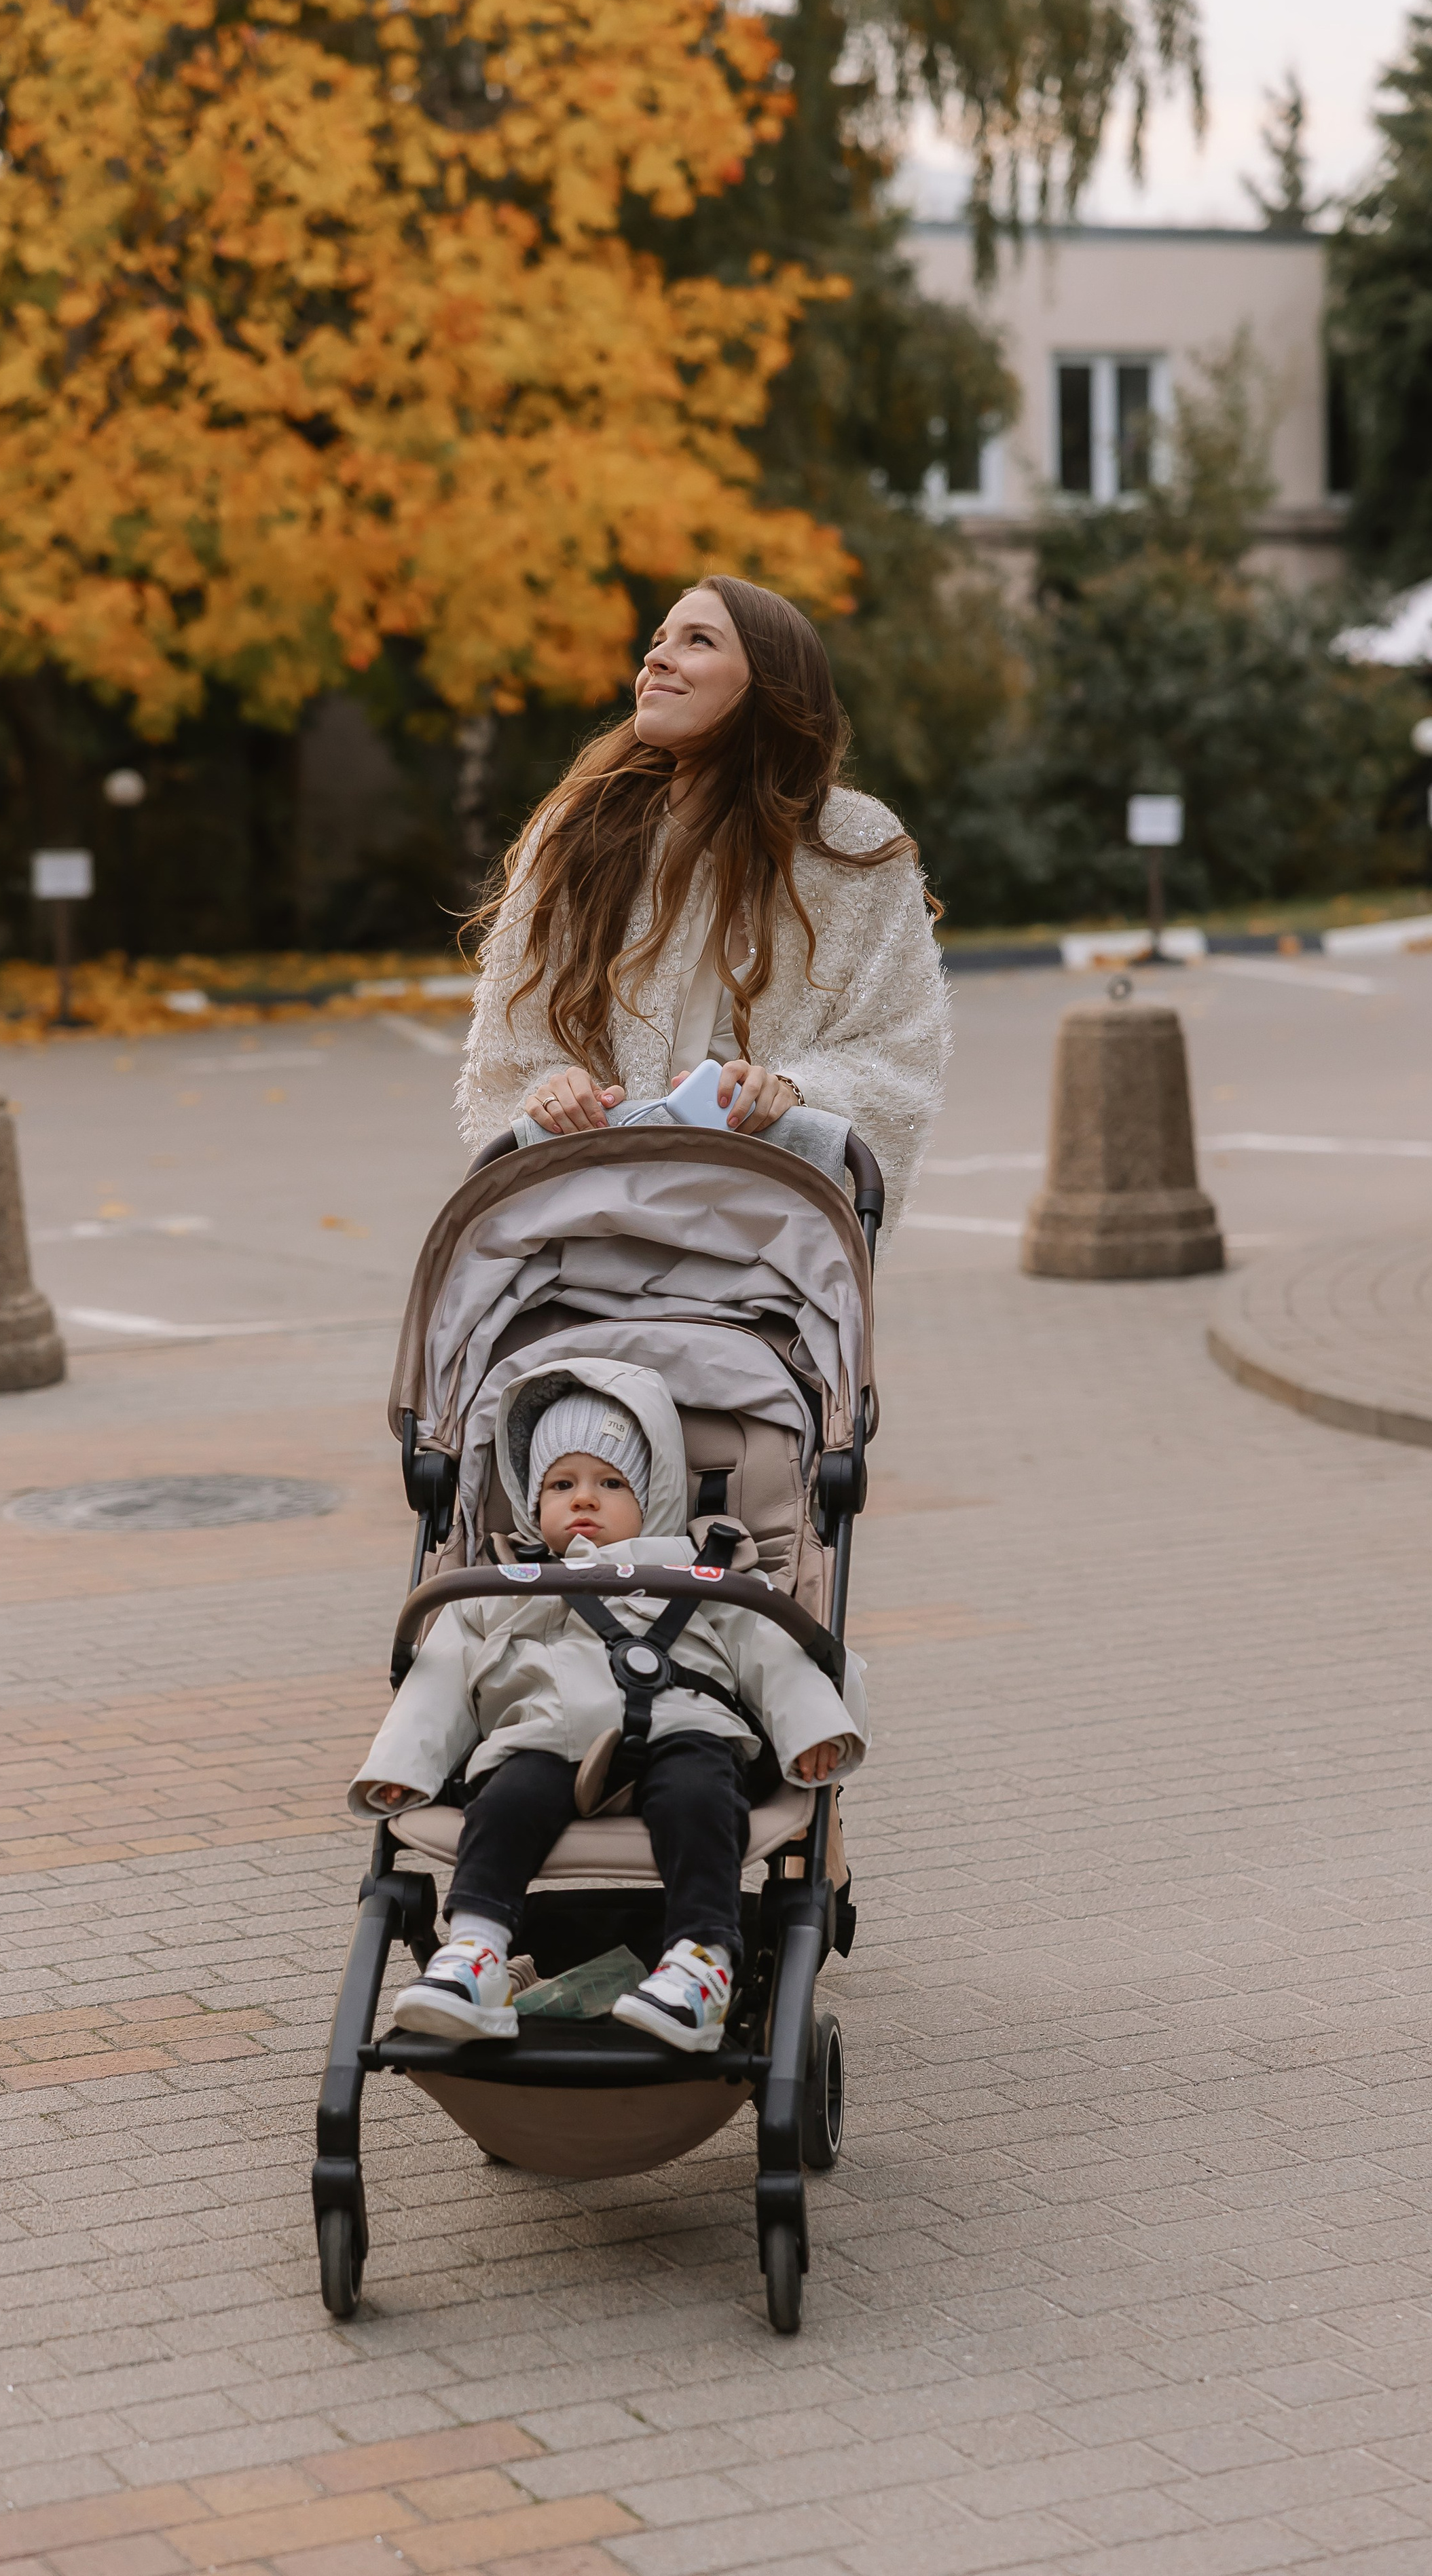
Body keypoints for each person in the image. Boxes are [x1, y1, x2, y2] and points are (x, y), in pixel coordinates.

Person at [350, 1361, 867, 2053]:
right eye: (560, 1485)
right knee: (503, 1805)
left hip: (685, 1732)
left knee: (698, 1797)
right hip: (541, 1742)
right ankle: (474, 1955)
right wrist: (401, 1769)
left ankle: (699, 1963)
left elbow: (772, 1652)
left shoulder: (701, 1572)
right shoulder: (501, 1586)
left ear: (653, 1495)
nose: (583, 1500)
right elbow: (438, 1681)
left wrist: (813, 1730)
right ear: (532, 1502)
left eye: (611, 1483)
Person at [456, 573, 949, 1234]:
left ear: (768, 684)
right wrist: (549, 1090)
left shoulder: (855, 847)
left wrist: (797, 1091)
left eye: (697, 641)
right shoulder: (577, 834)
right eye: (657, 641)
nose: (654, 657)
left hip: (768, 1242)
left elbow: (900, 1051)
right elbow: (511, 1047)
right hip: (592, 1230)